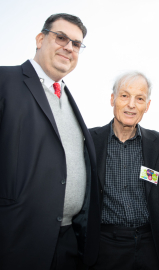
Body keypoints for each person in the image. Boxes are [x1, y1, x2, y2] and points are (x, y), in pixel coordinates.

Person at [0, 13, 100, 270]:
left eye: (76, 44)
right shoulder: (5, 81)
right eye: (61, 37)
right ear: (40, 39)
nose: (69, 47)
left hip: (67, 242)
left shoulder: (66, 96)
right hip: (17, 241)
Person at [88, 72, 159, 270]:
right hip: (104, 247)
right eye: (124, 95)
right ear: (113, 99)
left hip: (151, 246)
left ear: (147, 106)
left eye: (140, 98)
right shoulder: (90, 142)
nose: (131, 105)